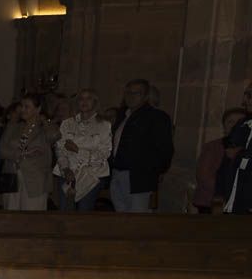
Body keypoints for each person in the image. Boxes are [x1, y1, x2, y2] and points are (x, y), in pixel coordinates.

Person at [109, 78, 173, 212]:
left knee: (138, 219)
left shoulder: (156, 117)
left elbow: (164, 149)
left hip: (139, 177)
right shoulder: (122, 116)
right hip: (117, 173)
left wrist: (153, 172)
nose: (130, 96)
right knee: (121, 218)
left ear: (145, 96)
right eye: (128, 93)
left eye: (136, 93)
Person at [54, 89, 111, 211]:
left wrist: (77, 150)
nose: (84, 102)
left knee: (84, 212)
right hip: (67, 172)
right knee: (65, 210)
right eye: (81, 99)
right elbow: (60, 149)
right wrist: (66, 169)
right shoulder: (67, 123)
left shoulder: (104, 125)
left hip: (91, 175)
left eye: (88, 98)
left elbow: (103, 154)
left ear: (95, 102)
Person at [0, 96, 54, 211]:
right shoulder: (14, 126)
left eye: (27, 107)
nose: (22, 110)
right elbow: (1, 150)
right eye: (21, 106)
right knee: (10, 215)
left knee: (32, 217)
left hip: (35, 179)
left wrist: (44, 121)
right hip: (12, 176)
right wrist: (22, 154)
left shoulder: (43, 128)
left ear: (38, 109)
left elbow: (55, 136)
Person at [194, 109, 245, 213]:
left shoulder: (247, 149)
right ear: (224, 126)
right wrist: (227, 194)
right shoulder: (212, 147)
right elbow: (204, 176)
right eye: (230, 121)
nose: (234, 125)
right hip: (211, 201)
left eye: (239, 121)